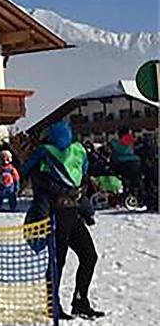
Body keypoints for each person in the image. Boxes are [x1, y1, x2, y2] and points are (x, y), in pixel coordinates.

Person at [22, 121, 104, 319]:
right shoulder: (78, 150)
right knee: (84, 257)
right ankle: (66, 304)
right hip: (66, 210)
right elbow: (85, 171)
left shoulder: (43, 151)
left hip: (59, 212)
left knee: (66, 259)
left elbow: (25, 170)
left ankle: (71, 303)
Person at [108, 127, 142, 200]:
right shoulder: (129, 141)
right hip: (135, 162)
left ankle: (127, 190)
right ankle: (135, 190)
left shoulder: (115, 143)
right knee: (134, 177)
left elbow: (114, 149)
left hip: (121, 163)